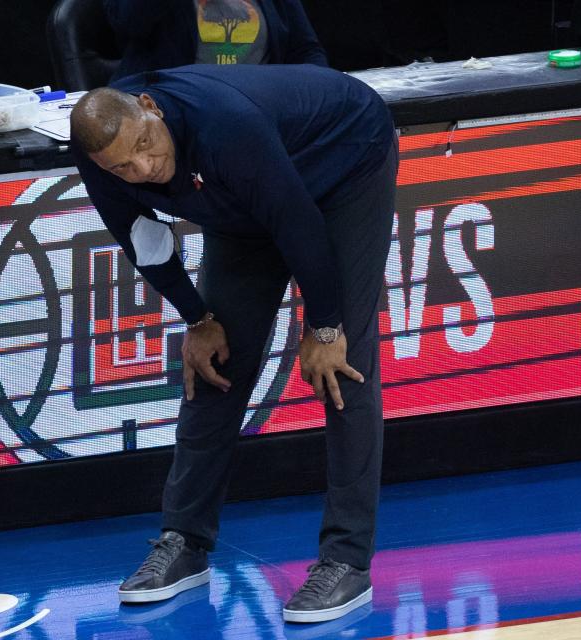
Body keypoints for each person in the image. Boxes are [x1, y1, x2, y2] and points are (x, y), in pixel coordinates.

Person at [70, 63, 397, 624]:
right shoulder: (103, 158)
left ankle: (346, 562)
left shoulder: (226, 127)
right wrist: (196, 318)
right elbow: (143, 240)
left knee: (342, 367)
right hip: (249, 193)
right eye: (125, 165)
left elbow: (298, 225)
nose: (145, 168)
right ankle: (185, 542)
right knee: (213, 362)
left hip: (345, 160)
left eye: (147, 146)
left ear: (150, 107)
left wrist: (323, 327)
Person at [103, 0, 327, 81]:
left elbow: (306, 50)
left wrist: (321, 94)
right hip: (172, 108)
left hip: (259, 104)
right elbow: (129, 21)